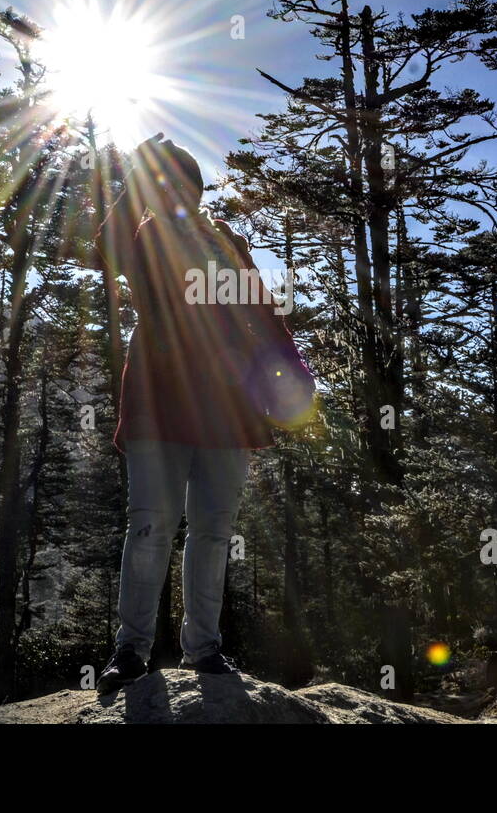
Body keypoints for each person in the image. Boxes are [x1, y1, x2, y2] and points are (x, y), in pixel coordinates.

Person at [92, 134, 314, 694]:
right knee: (149, 527)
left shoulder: (226, 244)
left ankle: (204, 650)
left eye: (181, 184)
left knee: (214, 531)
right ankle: (130, 652)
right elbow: (104, 249)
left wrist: (296, 380)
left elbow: (262, 317)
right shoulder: (142, 241)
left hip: (226, 408)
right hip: (156, 403)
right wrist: (133, 179)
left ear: (196, 188)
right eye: (161, 186)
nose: (174, 196)